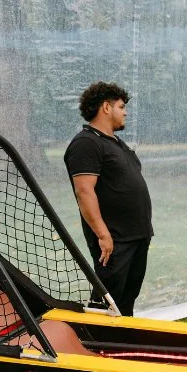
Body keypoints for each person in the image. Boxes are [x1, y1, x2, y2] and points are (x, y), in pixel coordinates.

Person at [64, 81, 153, 316]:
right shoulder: (86, 143)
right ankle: (97, 336)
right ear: (106, 107)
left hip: (136, 235)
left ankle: (123, 336)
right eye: (121, 107)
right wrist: (103, 235)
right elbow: (84, 191)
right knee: (107, 303)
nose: (125, 112)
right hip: (114, 240)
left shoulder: (115, 143)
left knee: (126, 299)